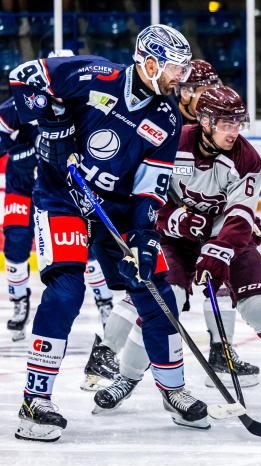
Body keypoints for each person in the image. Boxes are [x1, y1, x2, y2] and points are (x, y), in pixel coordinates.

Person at [12, 24, 209, 442]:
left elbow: (151, 185)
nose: (182, 78)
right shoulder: (94, 75)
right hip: (62, 198)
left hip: (114, 210)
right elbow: (25, 76)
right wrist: (52, 117)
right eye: (176, 68)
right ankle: (36, 399)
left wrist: (142, 234)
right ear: (150, 63)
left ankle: (173, 390)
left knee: (156, 290)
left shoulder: (166, 117)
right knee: (66, 291)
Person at [93, 86, 261, 415]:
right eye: (226, 124)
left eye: (237, 124)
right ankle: (127, 377)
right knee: (164, 301)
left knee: (260, 308)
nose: (234, 132)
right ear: (205, 121)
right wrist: (175, 218)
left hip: (224, 240)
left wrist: (217, 252)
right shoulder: (174, 142)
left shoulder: (247, 158)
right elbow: (145, 194)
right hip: (174, 241)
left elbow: (240, 216)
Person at [86, 58, 234, 392]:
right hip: (153, 217)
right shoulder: (165, 115)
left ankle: (220, 349)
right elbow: (156, 178)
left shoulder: (211, 121)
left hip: (181, 220)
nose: (209, 94)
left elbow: (215, 177)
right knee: (148, 284)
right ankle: (105, 353)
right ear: (184, 91)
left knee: (218, 277)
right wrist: (177, 209)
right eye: (201, 89)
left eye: (211, 87)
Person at [0, 50, 115, 346]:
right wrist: (20, 149)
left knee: (85, 248)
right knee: (14, 241)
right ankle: (18, 301)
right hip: (23, 184)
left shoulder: (87, 103)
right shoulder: (22, 102)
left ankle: (104, 301)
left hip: (64, 187)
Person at [178, 59, 221, 124]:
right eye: (205, 93)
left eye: (214, 92)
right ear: (185, 93)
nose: (212, 99)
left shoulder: (220, 119)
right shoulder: (168, 120)